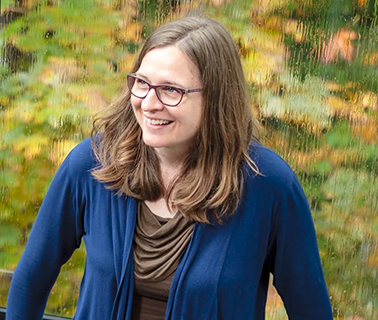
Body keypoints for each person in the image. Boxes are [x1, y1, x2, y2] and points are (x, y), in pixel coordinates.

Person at [6, 17, 333, 319]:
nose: (148, 103)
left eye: (171, 90)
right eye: (142, 83)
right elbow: (30, 281)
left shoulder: (269, 185)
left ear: (215, 98)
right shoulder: (91, 165)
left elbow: (312, 310)